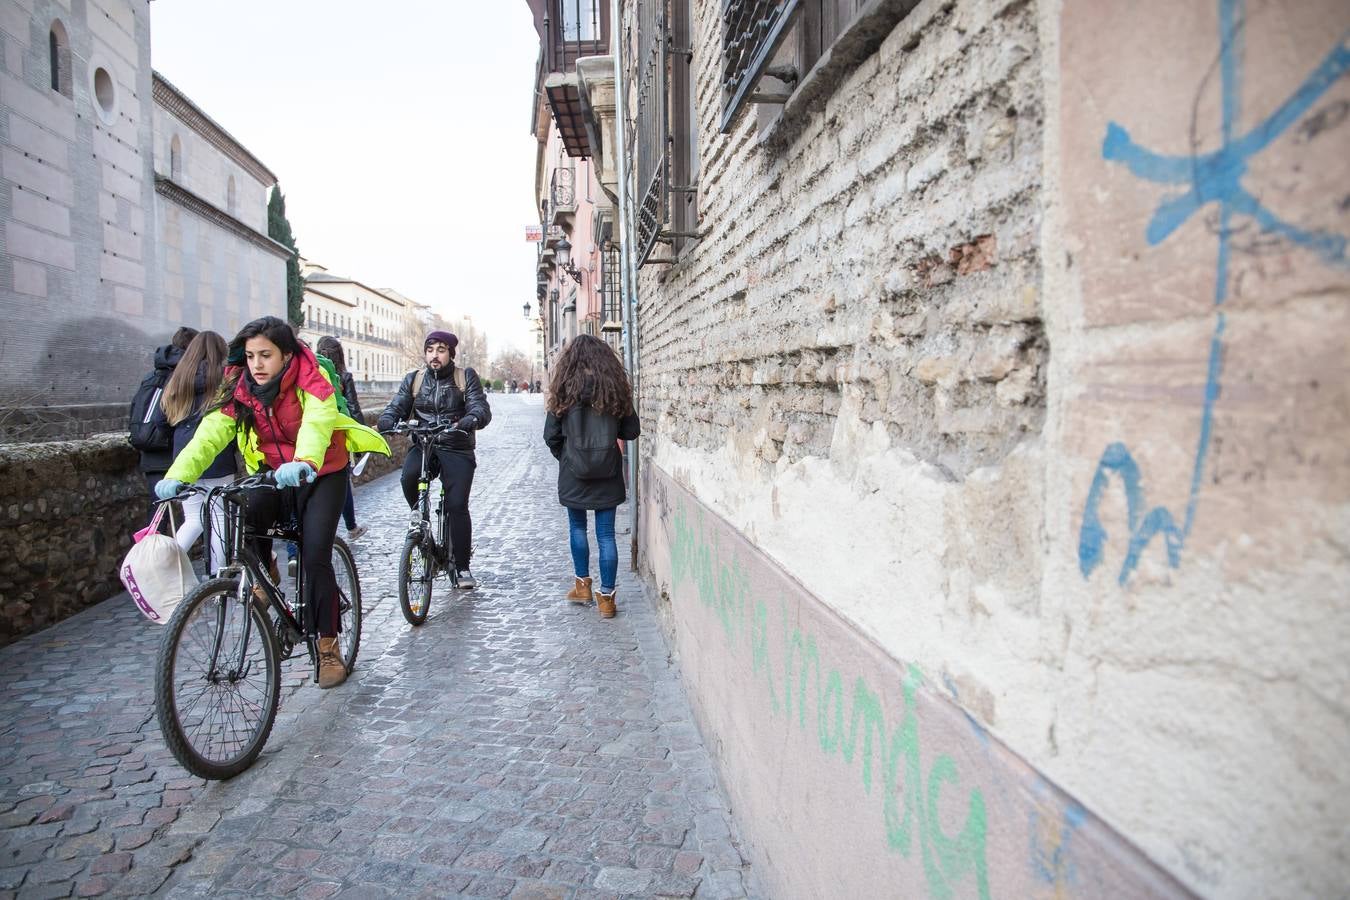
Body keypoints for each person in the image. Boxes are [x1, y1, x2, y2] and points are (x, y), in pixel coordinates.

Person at [154, 316, 390, 689]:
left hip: (322, 470)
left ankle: (328, 646)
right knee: (243, 512)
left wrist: (307, 461)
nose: (257, 364)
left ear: (285, 355)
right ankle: (267, 573)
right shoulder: (239, 386)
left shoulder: (312, 377)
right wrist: (178, 475)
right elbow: (211, 433)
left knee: (314, 557)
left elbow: (318, 420)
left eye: (266, 355)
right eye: (250, 356)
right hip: (273, 471)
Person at [377, 330, 491, 588]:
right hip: (424, 443)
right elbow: (397, 405)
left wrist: (470, 419)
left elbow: (479, 406)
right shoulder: (415, 380)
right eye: (430, 350)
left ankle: (461, 567)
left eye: (441, 350)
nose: (434, 355)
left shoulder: (465, 377)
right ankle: (423, 527)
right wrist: (387, 419)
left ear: (450, 353)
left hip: (456, 446)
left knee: (457, 504)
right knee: (408, 478)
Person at [543, 334, 640, 618]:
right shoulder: (613, 390)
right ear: (606, 361)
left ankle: (583, 586)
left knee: (577, 528)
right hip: (608, 471)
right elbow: (631, 431)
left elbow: (550, 435)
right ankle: (607, 599)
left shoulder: (563, 390)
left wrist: (567, 457)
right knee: (606, 534)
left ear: (570, 362)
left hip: (574, 472)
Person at [160, 330, 234, 576]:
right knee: (219, 518)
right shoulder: (223, 378)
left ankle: (166, 567)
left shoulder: (179, 376)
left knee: (193, 519)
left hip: (183, 453)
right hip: (216, 453)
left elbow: (167, 416)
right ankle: (219, 575)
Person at [130, 326, 197, 520]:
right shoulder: (184, 376)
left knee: (158, 513)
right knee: (195, 515)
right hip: (173, 451)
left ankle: (152, 550)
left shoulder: (152, 375)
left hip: (150, 453)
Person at [315, 336, 367, 542]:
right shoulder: (343, 376)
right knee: (341, 480)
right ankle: (351, 526)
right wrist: (362, 438)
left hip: (316, 434)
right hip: (338, 436)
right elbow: (353, 408)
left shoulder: (313, 372)